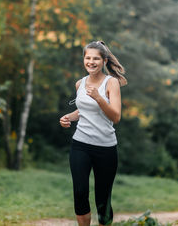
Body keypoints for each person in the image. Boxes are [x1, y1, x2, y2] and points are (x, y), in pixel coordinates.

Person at [60, 41, 127, 226]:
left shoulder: (111, 83)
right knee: (80, 192)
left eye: (96, 58)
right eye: (88, 58)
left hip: (105, 148)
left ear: (104, 61)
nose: (91, 62)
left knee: (103, 199)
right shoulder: (79, 83)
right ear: (84, 60)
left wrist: (99, 97)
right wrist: (68, 117)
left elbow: (115, 116)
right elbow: (83, 111)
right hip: (80, 145)